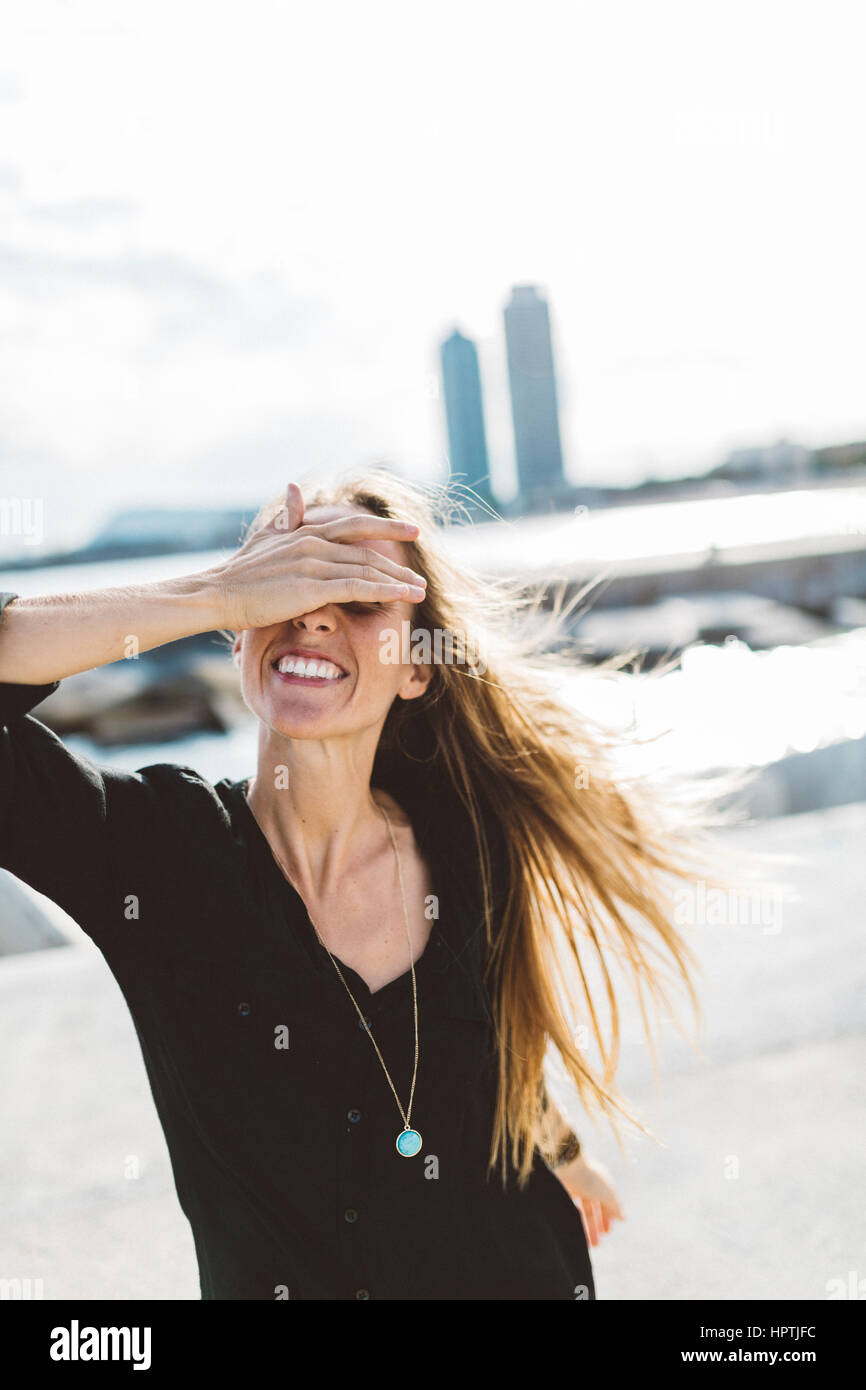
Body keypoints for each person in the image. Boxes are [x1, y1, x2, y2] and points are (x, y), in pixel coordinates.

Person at [0, 471, 740, 1300]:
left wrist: (566, 1157)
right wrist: (216, 590)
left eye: (362, 600)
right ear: (240, 636)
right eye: (290, 579)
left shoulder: (468, 838)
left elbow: (492, 1049)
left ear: (417, 669)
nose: (315, 613)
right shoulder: (152, 855)